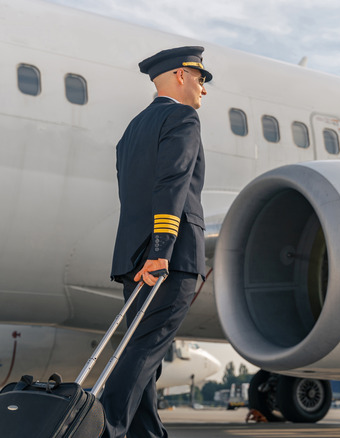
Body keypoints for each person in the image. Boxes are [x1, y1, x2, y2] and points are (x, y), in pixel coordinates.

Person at [102, 46, 212, 438]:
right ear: (182, 75)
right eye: (201, 78)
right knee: (145, 351)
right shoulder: (182, 118)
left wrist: (142, 254)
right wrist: (161, 251)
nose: (204, 89)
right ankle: (102, 427)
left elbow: (130, 195)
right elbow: (172, 186)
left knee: (142, 354)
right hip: (170, 257)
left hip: (133, 259)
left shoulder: (132, 129)